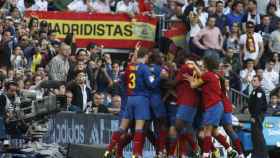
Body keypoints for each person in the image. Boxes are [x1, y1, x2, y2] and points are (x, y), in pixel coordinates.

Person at [248, 75, 269, 158]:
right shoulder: (254, 91)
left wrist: (254, 116)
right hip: (255, 114)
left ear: (259, 82)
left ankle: (263, 154)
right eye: (253, 80)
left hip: (258, 115)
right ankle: (257, 153)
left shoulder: (259, 91)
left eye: (255, 80)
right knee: (255, 134)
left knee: (258, 134)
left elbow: (258, 105)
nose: (253, 82)